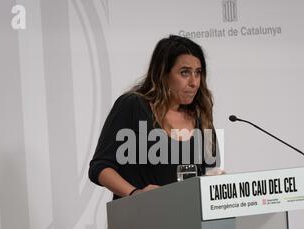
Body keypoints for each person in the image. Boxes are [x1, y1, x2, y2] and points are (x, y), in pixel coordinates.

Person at [88, 35, 219, 199]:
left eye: (198, 73)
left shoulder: (201, 115)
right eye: (184, 73)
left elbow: (210, 172)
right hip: (141, 218)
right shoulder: (133, 105)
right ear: (163, 74)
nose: (194, 82)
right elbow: (100, 167)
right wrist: (136, 194)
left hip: (188, 220)